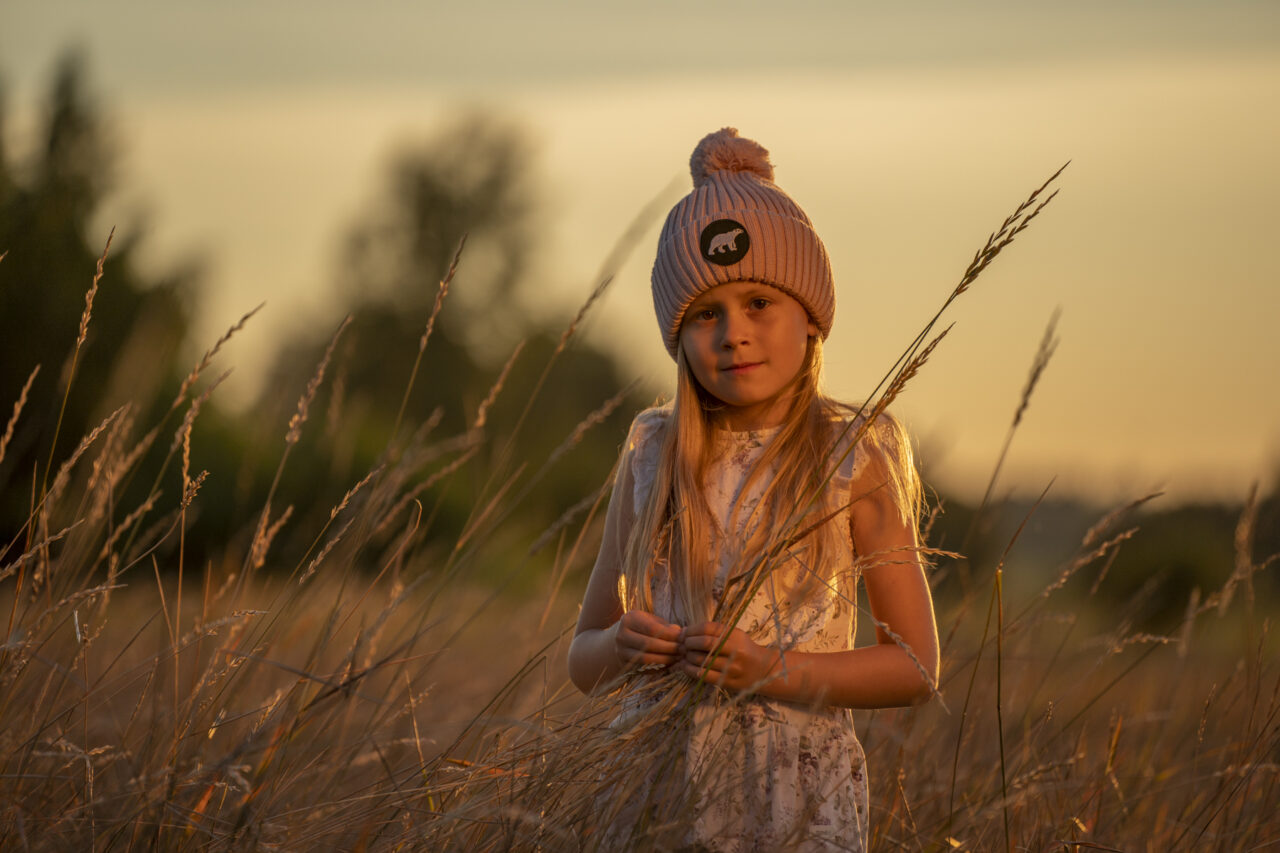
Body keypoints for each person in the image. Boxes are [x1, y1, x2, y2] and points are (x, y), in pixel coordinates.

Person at [567, 127, 940, 852]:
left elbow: (917, 664)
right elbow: (583, 657)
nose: (732, 333)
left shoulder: (852, 453)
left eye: (759, 302)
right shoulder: (652, 452)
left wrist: (772, 669)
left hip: (798, 806)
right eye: (706, 314)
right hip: (659, 790)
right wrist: (621, 642)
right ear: (679, 337)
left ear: (810, 313)